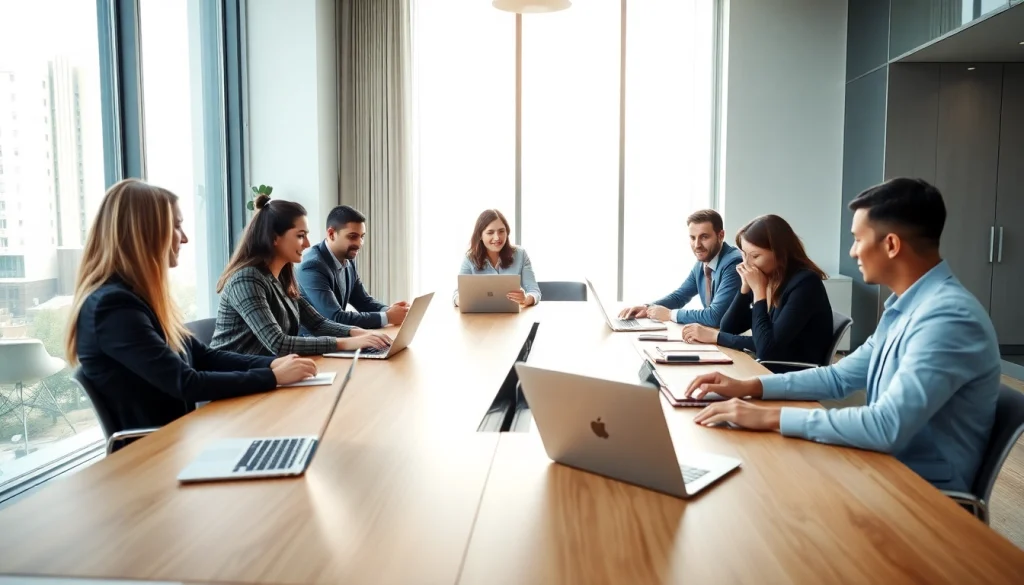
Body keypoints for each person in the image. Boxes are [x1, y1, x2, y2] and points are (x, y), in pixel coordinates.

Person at [685, 178, 1000, 493]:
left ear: (891, 244)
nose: (852, 252)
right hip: (882, 466)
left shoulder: (948, 317)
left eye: (858, 239)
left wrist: (770, 417)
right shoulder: (905, 308)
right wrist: (747, 385)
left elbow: (886, 426)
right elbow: (837, 379)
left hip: (919, 491)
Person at [66, 179, 318, 432]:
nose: (184, 238)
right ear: (145, 233)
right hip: (156, 451)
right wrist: (272, 377)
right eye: (176, 226)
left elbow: (202, 355)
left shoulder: (138, 298)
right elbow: (186, 382)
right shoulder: (113, 308)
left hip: (181, 436)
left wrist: (271, 365)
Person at [211, 195, 392, 356]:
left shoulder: (281, 277)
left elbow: (318, 323)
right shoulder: (247, 279)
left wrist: (359, 333)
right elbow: (278, 343)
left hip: (264, 374)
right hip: (233, 383)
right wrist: (346, 343)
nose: (307, 243)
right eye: (300, 235)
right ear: (274, 237)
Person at [681, 214, 833, 368]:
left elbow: (767, 349)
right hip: (769, 364)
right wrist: (745, 289)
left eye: (755, 256)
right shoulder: (769, 277)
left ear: (779, 253)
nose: (746, 264)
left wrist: (759, 292)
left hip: (795, 373)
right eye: (744, 255)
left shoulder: (805, 284)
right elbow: (729, 327)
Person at [618, 209, 742, 326]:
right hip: (713, 336)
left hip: (736, 341)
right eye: (693, 238)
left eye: (704, 237)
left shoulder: (733, 264)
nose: (697, 245)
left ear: (721, 235)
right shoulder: (703, 262)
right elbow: (680, 296)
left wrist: (669, 314)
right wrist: (648, 307)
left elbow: (715, 317)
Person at [297, 205, 409, 329]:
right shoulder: (312, 266)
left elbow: (363, 301)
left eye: (362, 237)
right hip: (314, 343)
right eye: (352, 236)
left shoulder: (348, 261)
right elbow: (335, 318)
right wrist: (388, 317)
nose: (359, 244)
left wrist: (392, 311)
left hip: (340, 339)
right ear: (331, 234)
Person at [454, 209, 541, 307]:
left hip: (512, 318)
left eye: (501, 231)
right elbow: (458, 293)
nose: (497, 238)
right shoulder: (470, 258)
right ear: (480, 236)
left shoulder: (520, 254)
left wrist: (526, 299)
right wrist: (460, 300)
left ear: (507, 232)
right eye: (490, 232)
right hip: (480, 317)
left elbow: (534, 292)